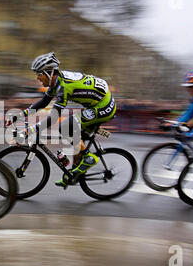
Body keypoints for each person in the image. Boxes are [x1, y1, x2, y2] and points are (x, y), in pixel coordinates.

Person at [8, 52, 116, 188]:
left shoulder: (64, 86)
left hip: (104, 106)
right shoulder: (56, 81)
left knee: (66, 126)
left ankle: (89, 159)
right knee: (73, 137)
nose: (37, 77)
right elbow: (43, 103)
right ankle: (73, 174)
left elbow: (53, 117)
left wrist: (27, 131)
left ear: (48, 73)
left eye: (39, 74)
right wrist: (18, 116)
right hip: (94, 104)